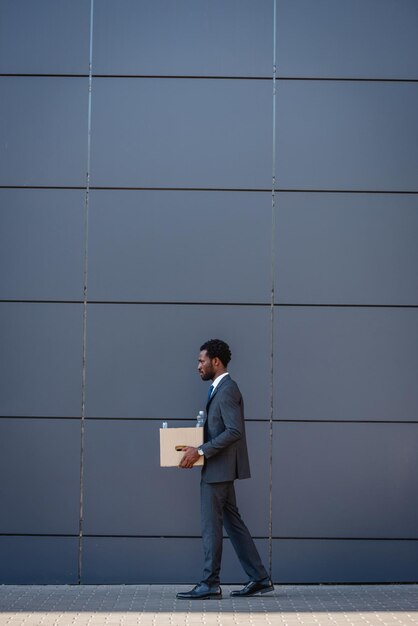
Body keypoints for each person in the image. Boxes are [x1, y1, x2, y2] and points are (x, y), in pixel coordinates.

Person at [176, 339, 274, 600]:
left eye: (201, 360)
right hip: (220, 469)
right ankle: (260, 577)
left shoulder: (227, 389)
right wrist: (196, 446)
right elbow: (219, 430)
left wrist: (201, 451)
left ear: (215, 361)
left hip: (217, 471)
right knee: (234, 524)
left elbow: (234, 430)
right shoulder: (218, 389)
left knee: (211, 527)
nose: (198, 366)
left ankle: (210, 582)